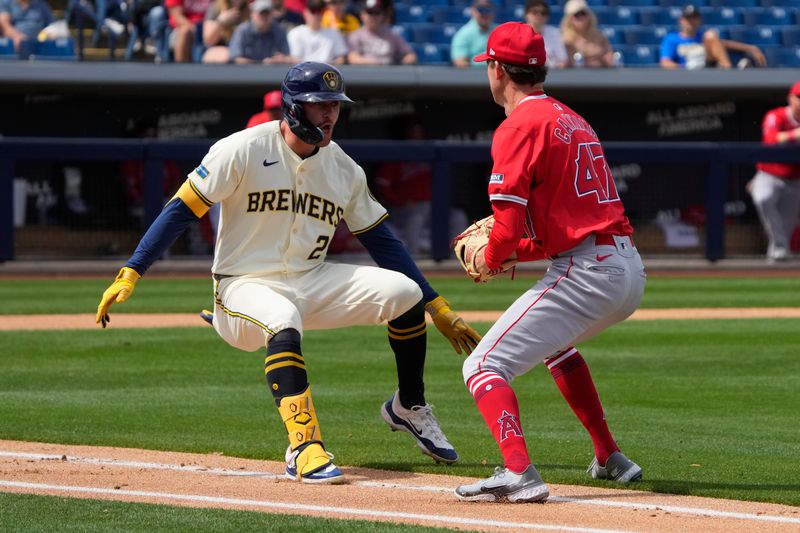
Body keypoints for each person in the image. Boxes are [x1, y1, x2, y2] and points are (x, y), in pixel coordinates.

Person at [96, 61, 481, 484]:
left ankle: (408, 405)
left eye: (335, 104)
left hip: (310, 280)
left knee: (403, 292)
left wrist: (435, 304)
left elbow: (382, 240)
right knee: (281, 320)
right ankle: (304, 447)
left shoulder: (343, 168)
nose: (330, 114)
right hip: (242, 286)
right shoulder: (241, 148)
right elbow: (181, 210)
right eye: (319, 104)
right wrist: (132, 270)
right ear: (294, 106)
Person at [454, 22, 645, 503]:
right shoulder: (572, 118)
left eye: (489, 67)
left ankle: (519, 471)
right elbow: (567, 224)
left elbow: (509, 227)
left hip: (587, 270)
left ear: (497, 69)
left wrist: (493, 259)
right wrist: (515, 251)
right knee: (555, 346)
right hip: (625, 266)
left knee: (483, 365)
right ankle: (609, 457)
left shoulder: (517, 124)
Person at [748, 81, 800, 262]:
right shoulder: (777, 116)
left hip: (795, 179)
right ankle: (779, 250)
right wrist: (794, 134)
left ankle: (776, 263)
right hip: (769, 174)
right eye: (799, 98)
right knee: (763, 198)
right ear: (790, 98)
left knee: (787, 224)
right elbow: (769, 140)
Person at [660, 4, 766, 70]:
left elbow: (723, 44)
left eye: (694, 18)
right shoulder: (672, 39)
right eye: (688, 18)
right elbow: (665, 63)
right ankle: (735, 68)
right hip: (687, 73)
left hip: (707, 68)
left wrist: (751, 48)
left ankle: (728, 70)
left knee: (711, 35)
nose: (691, 21)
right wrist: (685, 67)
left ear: (699, 20)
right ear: (681, 20)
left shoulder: (703, 37)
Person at [347, 0, 415, 65]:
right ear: (362, 14)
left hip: (390, 74)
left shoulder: (392, 35)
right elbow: (353, 58)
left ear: (382, 15)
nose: (373, 16)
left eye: (377, 13)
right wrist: (376, 63)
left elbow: (411, 55)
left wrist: (401, 63)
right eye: (370, 12)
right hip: (365, 74)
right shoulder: (356, 35)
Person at [560, 0, 614, 68]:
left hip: (600, 75)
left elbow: (609, 57)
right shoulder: (565, 40)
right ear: (569, 19)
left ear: (589, 16)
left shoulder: (599, 36)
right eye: (576, 15)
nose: (580, 17)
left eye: (583, 13)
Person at [450, 0, 496, 68]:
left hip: (498, 74)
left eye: (488, 10)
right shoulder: (463, 34)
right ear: (473, 11)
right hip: (474, 75)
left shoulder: (499, 31)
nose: (485, 14)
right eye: (481, 10)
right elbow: (459, 61)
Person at [524, 0, 567, 69]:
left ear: (547, 16)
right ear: (526, 15)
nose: (539, 15)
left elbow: (562, 60)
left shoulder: (555, 33)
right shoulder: (518, 33)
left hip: (552, 75)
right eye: (535, 12)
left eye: (543, 13)